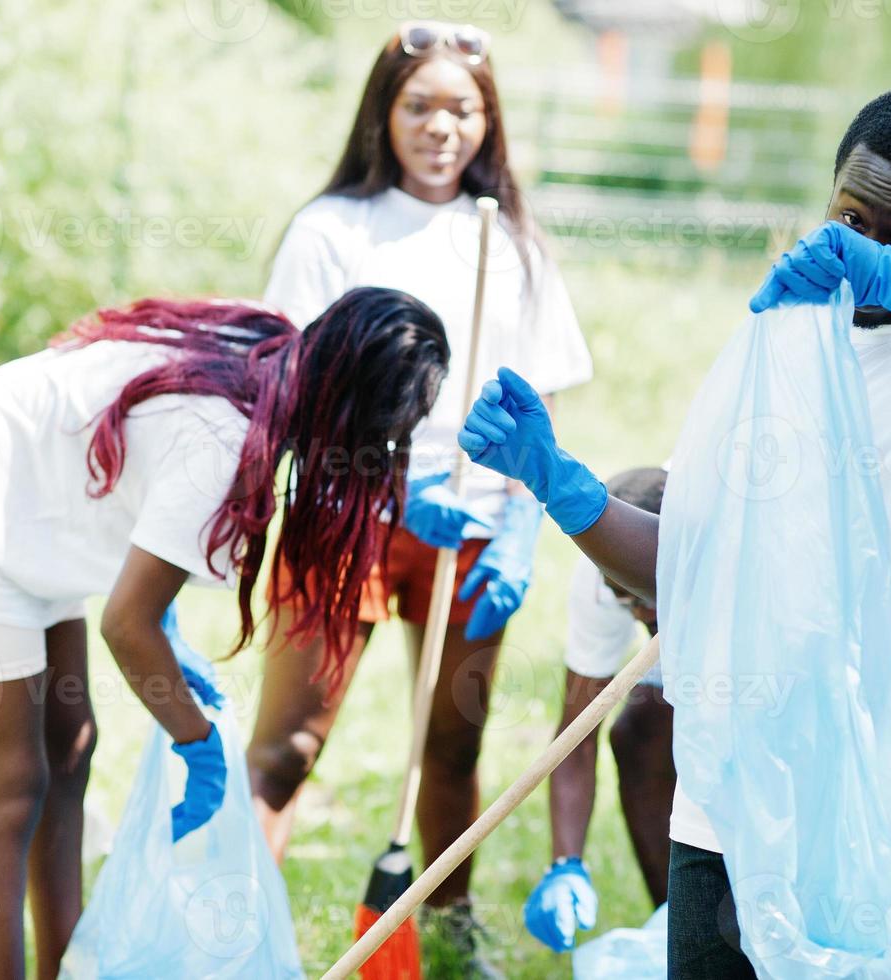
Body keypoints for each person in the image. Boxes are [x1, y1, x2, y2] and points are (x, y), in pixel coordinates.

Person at [457, 87, 891, 979]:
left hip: (889, 825)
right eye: (851, 218)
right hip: (725, 817)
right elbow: (691, 575)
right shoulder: (766, 351)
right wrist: (557, 481)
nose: (864, 248)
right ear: (826, 198)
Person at [0, 288, 448, 980]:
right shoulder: (222, 439)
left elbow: (151, 501)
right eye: (390, 432)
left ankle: (63, 968)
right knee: (8, 785)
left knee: (69, 750)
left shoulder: (270, 356)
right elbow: (127, 626)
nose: (389, 451)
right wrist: (196, 740)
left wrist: (168, 641)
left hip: (39, 503)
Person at [246, 20, 592, 974]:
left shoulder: (513, 242)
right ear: (383, 112)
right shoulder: (332, 229)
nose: (442, 127)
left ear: (490, 121)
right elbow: (295, 393)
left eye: (463, 108)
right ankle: (237, 929)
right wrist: (390, 490)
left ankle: (447, 934)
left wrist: (521, 527)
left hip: (474, 524)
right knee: (286, 748)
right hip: (345, 518)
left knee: (452, 746)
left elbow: (542, 397)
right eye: (420, 106)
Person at [523, 467, 673, 954]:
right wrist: (565, 863)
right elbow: (576, 736)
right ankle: (676, 915)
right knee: (639, 731)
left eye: (643, 601)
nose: (636, 615)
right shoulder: (603, 573)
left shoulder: (709, 547)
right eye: (623, 601)